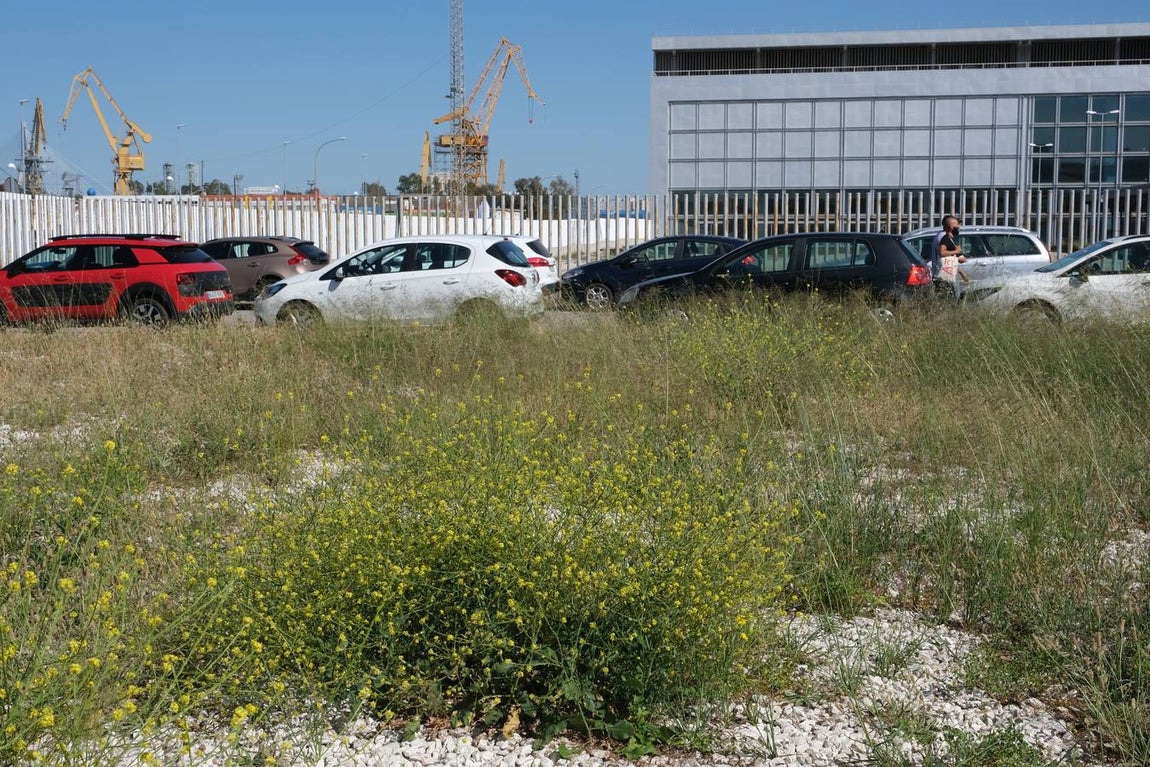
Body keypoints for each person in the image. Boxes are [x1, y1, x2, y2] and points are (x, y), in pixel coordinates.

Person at [930, 215, 968, 292]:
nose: (958, 227)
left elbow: (948, 259)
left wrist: (960, 271)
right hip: (942, 276)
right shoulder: (944, 236)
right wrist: (956, 251)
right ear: (951, 226)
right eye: (957, 225)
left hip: (943, 275)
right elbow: (942, 253)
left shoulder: (942, 235)